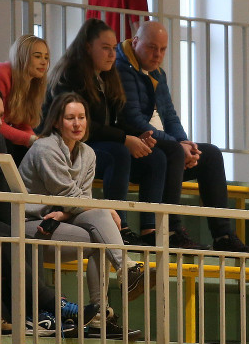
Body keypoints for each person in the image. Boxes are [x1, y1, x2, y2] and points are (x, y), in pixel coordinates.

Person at [0, 84, 99, 335]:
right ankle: (52, 304)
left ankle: (37, 315)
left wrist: (15, 227)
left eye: (1, 116)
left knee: (22, 236)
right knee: (2, 237)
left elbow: (6, 195)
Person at [44, 18, 206, 250]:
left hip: (101, 143)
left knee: (156, 156)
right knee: (118, 153)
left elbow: (121, 119)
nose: (112, 54)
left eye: (114, 48)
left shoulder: (108, 76)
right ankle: (119, 226)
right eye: (105, 48)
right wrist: (125, 139)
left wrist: (139, 136)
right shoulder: (71, 76)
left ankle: (151, 230)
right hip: (72, 147)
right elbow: (83, 126)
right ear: (88, 47)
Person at [115, 21, 249, 252]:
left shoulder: (158, 73)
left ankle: (223, 236)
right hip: (137, 151)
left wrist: (185, 143)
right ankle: (171, 230)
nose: (158, 55)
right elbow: (132, 120)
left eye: (163, 49)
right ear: (136, 42)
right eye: (152, 48)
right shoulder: (122, 69)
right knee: (172, 152)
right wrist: (176, 146)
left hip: (164, 147)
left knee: (210, 154)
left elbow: (170, 115)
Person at [20, 92, 151, 339]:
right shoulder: (45, 148)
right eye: (70, 118)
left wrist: (66, 212)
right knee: (100, 231)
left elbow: (81, 200)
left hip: (58, 219)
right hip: (29, 224)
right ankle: (125, 270)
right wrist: (104, 208)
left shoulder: (88, 153)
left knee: (99, 227)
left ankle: (103, 311)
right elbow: (69, 195)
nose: (77, 123)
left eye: (81, 117)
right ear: (56, 121)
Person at [0, 34, 49, 164]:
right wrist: (31, 140)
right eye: (37, 56)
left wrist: (35, 141)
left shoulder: (33, 83)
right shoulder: (1, 73)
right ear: (22, 57)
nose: (44, 62)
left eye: (46, 57)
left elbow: (23, 123)